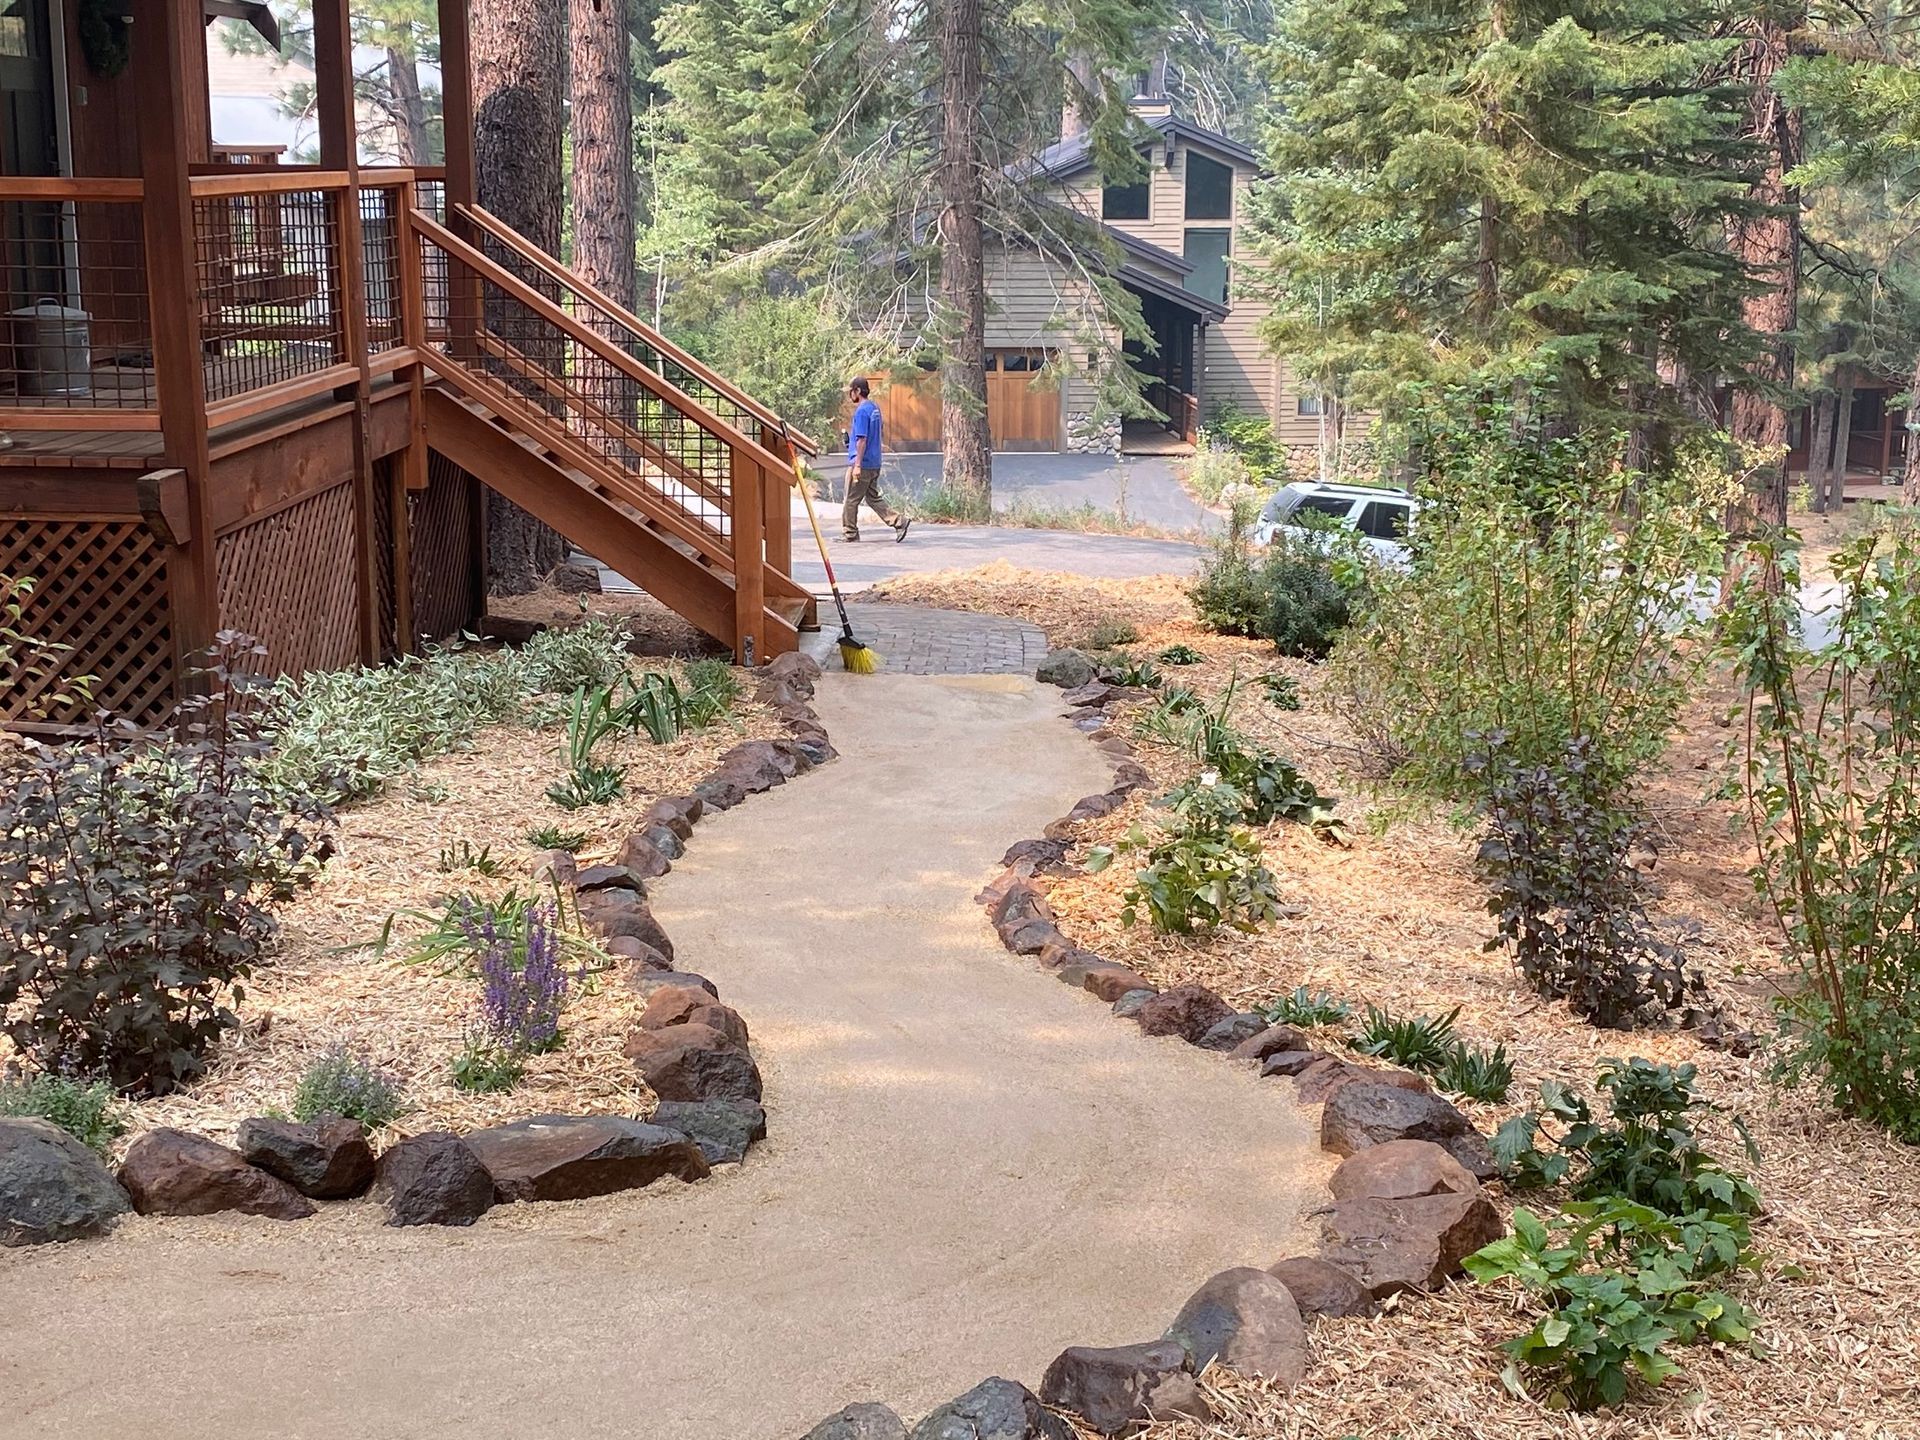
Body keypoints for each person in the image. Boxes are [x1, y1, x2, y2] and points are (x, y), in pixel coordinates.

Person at [843, 377, 909, 543]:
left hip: (862, 464)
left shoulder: (861, 411)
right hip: (874, 462)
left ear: (858, 391)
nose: (850, 395)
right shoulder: (874, 408)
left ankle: (850, 533)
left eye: (851, 391)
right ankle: (899, 521)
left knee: (851, 499)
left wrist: (857, 465)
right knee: (872, 497)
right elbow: (877, 433)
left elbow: (862, 439)